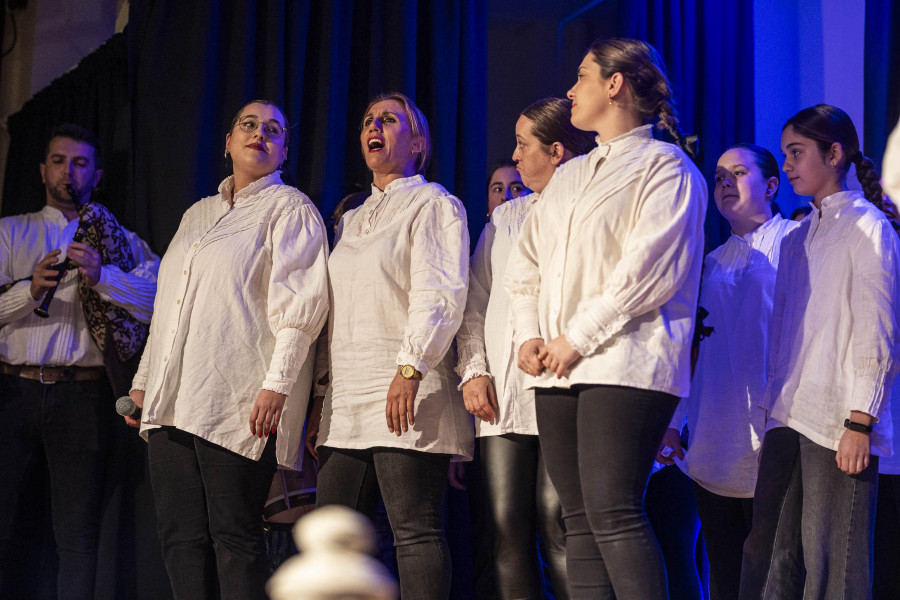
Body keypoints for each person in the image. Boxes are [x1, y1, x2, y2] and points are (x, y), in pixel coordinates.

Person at [505, 38, 707, 598]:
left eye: (581, 77)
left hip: (626, 361)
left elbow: (649, 271)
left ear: (614, 84)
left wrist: (577, 337)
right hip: (560, 365)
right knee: (579, 520)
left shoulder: (667, 169)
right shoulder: (569, 177)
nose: (570, 90)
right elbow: (526, 264)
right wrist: (531, 335)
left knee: (614, 511)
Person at [128, 100, 329, 600]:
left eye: (273, 129)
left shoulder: (291, 209)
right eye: (248, 125)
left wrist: (276, 386)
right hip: (173, 399)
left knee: (234, 538)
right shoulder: (198, 213)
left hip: (237, 400)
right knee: (180, 539)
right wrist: (143, 381)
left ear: (284, 149)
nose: (259, 134)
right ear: (227, 142)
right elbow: (169, 305)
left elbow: (301, 311)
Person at [307, 92, 472, 600]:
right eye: (367, 121)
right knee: (332, 537)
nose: (374, 126)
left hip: (405, 388)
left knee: (414, 531)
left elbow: (440, 292)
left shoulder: (434, 204)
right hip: (348, 398)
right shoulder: (352, 219)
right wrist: (320, 396)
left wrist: (411, 367)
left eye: (389, 119)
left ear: (417, 142)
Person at [739, 104, 899, 599]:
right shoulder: (796, 237)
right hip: (789, 413)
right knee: (775, 560)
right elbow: (785, 336)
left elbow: (879, 328)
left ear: (835, 154)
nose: (787, 165)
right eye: (784, 154)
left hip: (837, 419)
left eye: (797, 153)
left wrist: (860, 420)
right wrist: (770, 415)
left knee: (833, 563)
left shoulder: (867, 226)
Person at [0, 123, 160, 599]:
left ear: (97, 173)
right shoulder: (11, 232)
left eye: (80, 162)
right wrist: (29, 291)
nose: (68, 170)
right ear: (42, 168)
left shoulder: (121, 238)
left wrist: (103, 275)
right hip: (14, 391)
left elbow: (161, 300)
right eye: (58, 160)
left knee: (77, 535)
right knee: (5, 520)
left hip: (82, 396)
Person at [456, 97, 594, 599]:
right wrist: (473, 370)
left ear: (556, 151)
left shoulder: (587, 209)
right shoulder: (505, 220)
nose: (515, 156)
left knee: (558, 524)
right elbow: (474, 301)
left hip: (565, 386)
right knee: (505, 528)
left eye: (523, 145)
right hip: (503, 396)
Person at [656, 144, 798, 600]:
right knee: (723, 566)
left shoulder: (793, 246)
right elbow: (690, 350)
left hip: (775, 430)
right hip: (717, 432)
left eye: (738, 173)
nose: (724, 182)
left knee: (774, 570)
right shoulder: (711, 261)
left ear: (771, 186)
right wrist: (675, 422)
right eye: (718, 175)